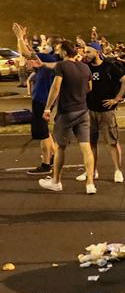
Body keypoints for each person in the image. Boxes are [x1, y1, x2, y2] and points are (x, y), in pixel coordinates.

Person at [33, 39, 97, 194]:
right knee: (86, 147)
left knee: (61, 147)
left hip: (67, 112)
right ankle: (90, 183)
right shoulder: (84, 67)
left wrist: (47, 108)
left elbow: (56, 87)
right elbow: (89, 88)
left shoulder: (62, 66)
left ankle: (56, 181)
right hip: (83, 110)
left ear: (63, 51)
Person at [75, 42, 125, 184]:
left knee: (111, 142)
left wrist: (116, 99)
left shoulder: (109, 67)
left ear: (97, 52)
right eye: (85, 52)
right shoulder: (85, 67)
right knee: (91, 143)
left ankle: (118, 170)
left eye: (88, 52)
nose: (85, 55)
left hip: (106, 111)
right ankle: (92, 171)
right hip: (89, 109)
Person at [23, 41, 58, 176]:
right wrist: (23, 40)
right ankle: (54, 156)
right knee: (45, 132)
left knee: (43, 133)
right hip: (42, 101)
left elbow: (28, 54)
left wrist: (20, 39)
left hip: (42, 102)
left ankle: (46, 164)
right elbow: (29, 54)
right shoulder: (43, 66)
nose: (28, 62)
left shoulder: (47, 61)